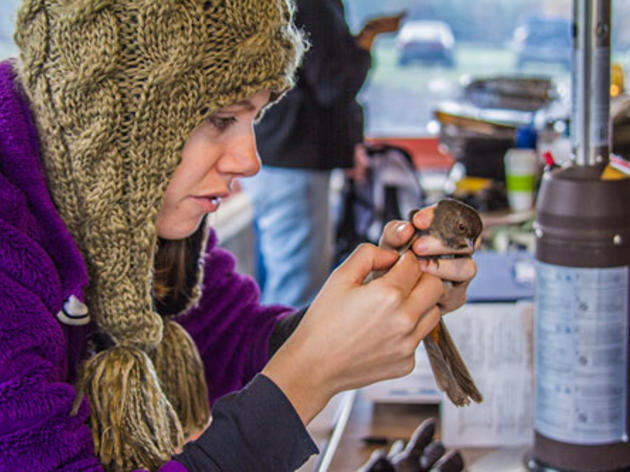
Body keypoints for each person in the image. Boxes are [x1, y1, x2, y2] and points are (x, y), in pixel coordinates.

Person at [0, 1, 477, 471]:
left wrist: (373, 305)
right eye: (220, 119)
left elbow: (228, 338)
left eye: (255, 117)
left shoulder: (134, 210)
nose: (250, 161)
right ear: (121, 118)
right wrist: (310, 375)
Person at [242, 0, 404, 307]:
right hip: (295, 160)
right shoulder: (314, 3)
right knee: (296, 290)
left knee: (273, 282)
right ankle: (287, 357)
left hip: (272, 153)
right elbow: (333, 83)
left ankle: (265, 356)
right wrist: (367, 38)